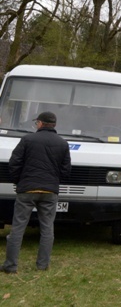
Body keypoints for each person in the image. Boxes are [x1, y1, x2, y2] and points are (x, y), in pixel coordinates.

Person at [1, 111, 71, 274]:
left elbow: (14, 163)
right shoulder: (62, 143)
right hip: (50, 191)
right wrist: (54, 181)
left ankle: (11, 265)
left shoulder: (27, 140)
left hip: (27, 189)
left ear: (40, 123)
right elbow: (66, 170)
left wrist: (19, 181)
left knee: (18, 227)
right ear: (54, 125)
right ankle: (42, 265)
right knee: (47, 228)